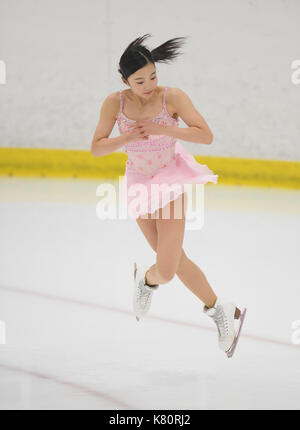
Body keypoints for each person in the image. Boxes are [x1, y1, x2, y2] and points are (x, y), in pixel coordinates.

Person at [91, 34, 247, 358]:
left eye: (152, 76)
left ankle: (145, 281)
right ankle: (220, 309)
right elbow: (96, 147)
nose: (148, 84)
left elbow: (205, 135)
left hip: (170, 179)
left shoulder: (171, 98)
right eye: (139, 80)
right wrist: (127, 137)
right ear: (124, 80)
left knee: (166, 268)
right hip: (138, 181)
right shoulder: (114, 103)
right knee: (174, 262)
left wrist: (165, 129)